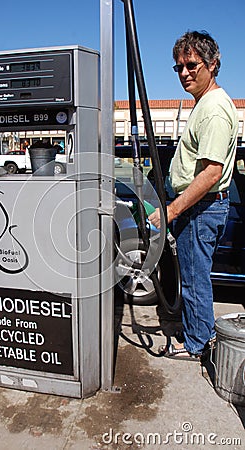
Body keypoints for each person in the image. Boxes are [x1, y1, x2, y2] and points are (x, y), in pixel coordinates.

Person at [149, 30, 238, 360]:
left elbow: (211, 173)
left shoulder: (214, 109)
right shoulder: (204, 103)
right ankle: (197, 334)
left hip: (201, 209)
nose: (184, 73)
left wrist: (171, 211)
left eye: (191, 65)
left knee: (195, 279)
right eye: (179, 67)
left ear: (212, 65)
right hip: (200, 207)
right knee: (192, 275)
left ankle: (197, 344)